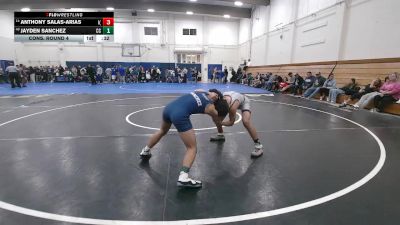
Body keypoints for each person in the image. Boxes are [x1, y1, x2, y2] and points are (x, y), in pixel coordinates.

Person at [139, 89, 229, 188]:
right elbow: (217, 118)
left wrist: (212, 98)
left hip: (169, 109)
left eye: (217, 96)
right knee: (192, 148)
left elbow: (201, 93)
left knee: (162, 131)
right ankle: (183, 177)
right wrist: (227, 118)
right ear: (211, 92)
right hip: (179, 115)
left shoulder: (201, 93)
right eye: (214, 93)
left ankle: (145, 151)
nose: (215, 95)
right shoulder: (210, 105)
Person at [209, 91, 264, 158]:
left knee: (246, 121)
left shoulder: (232, 108)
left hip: (243, 101)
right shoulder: (218, 98)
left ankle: (258, 146)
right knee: (216, 118)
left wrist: (220, 123)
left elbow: (231, 123)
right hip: (232, 100)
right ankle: (220, 135)